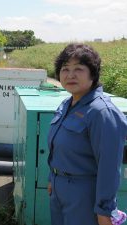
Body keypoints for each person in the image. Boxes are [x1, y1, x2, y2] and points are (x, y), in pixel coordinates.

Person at [47, 43, 127, 225]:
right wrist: (52, 178)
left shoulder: (102, 112)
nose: (70, 75)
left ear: (93, 73)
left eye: (78, 69)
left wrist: (104, 211)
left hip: (84, 195)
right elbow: (56, 148)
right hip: (59, 191)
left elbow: (109, 167)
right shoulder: (66, 105)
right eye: (65, 69)